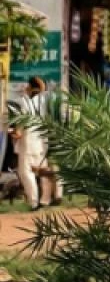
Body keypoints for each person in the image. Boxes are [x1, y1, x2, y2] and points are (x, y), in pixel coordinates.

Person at [14, 77, 60, 209]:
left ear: (29, 86)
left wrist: (17, 131)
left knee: (25, 172)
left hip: (28, 141)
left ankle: (33, 202)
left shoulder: (25, 101)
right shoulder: (45, 101)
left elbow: (22, 120)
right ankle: (45, 200)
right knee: (43, 171)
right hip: (42, 141)